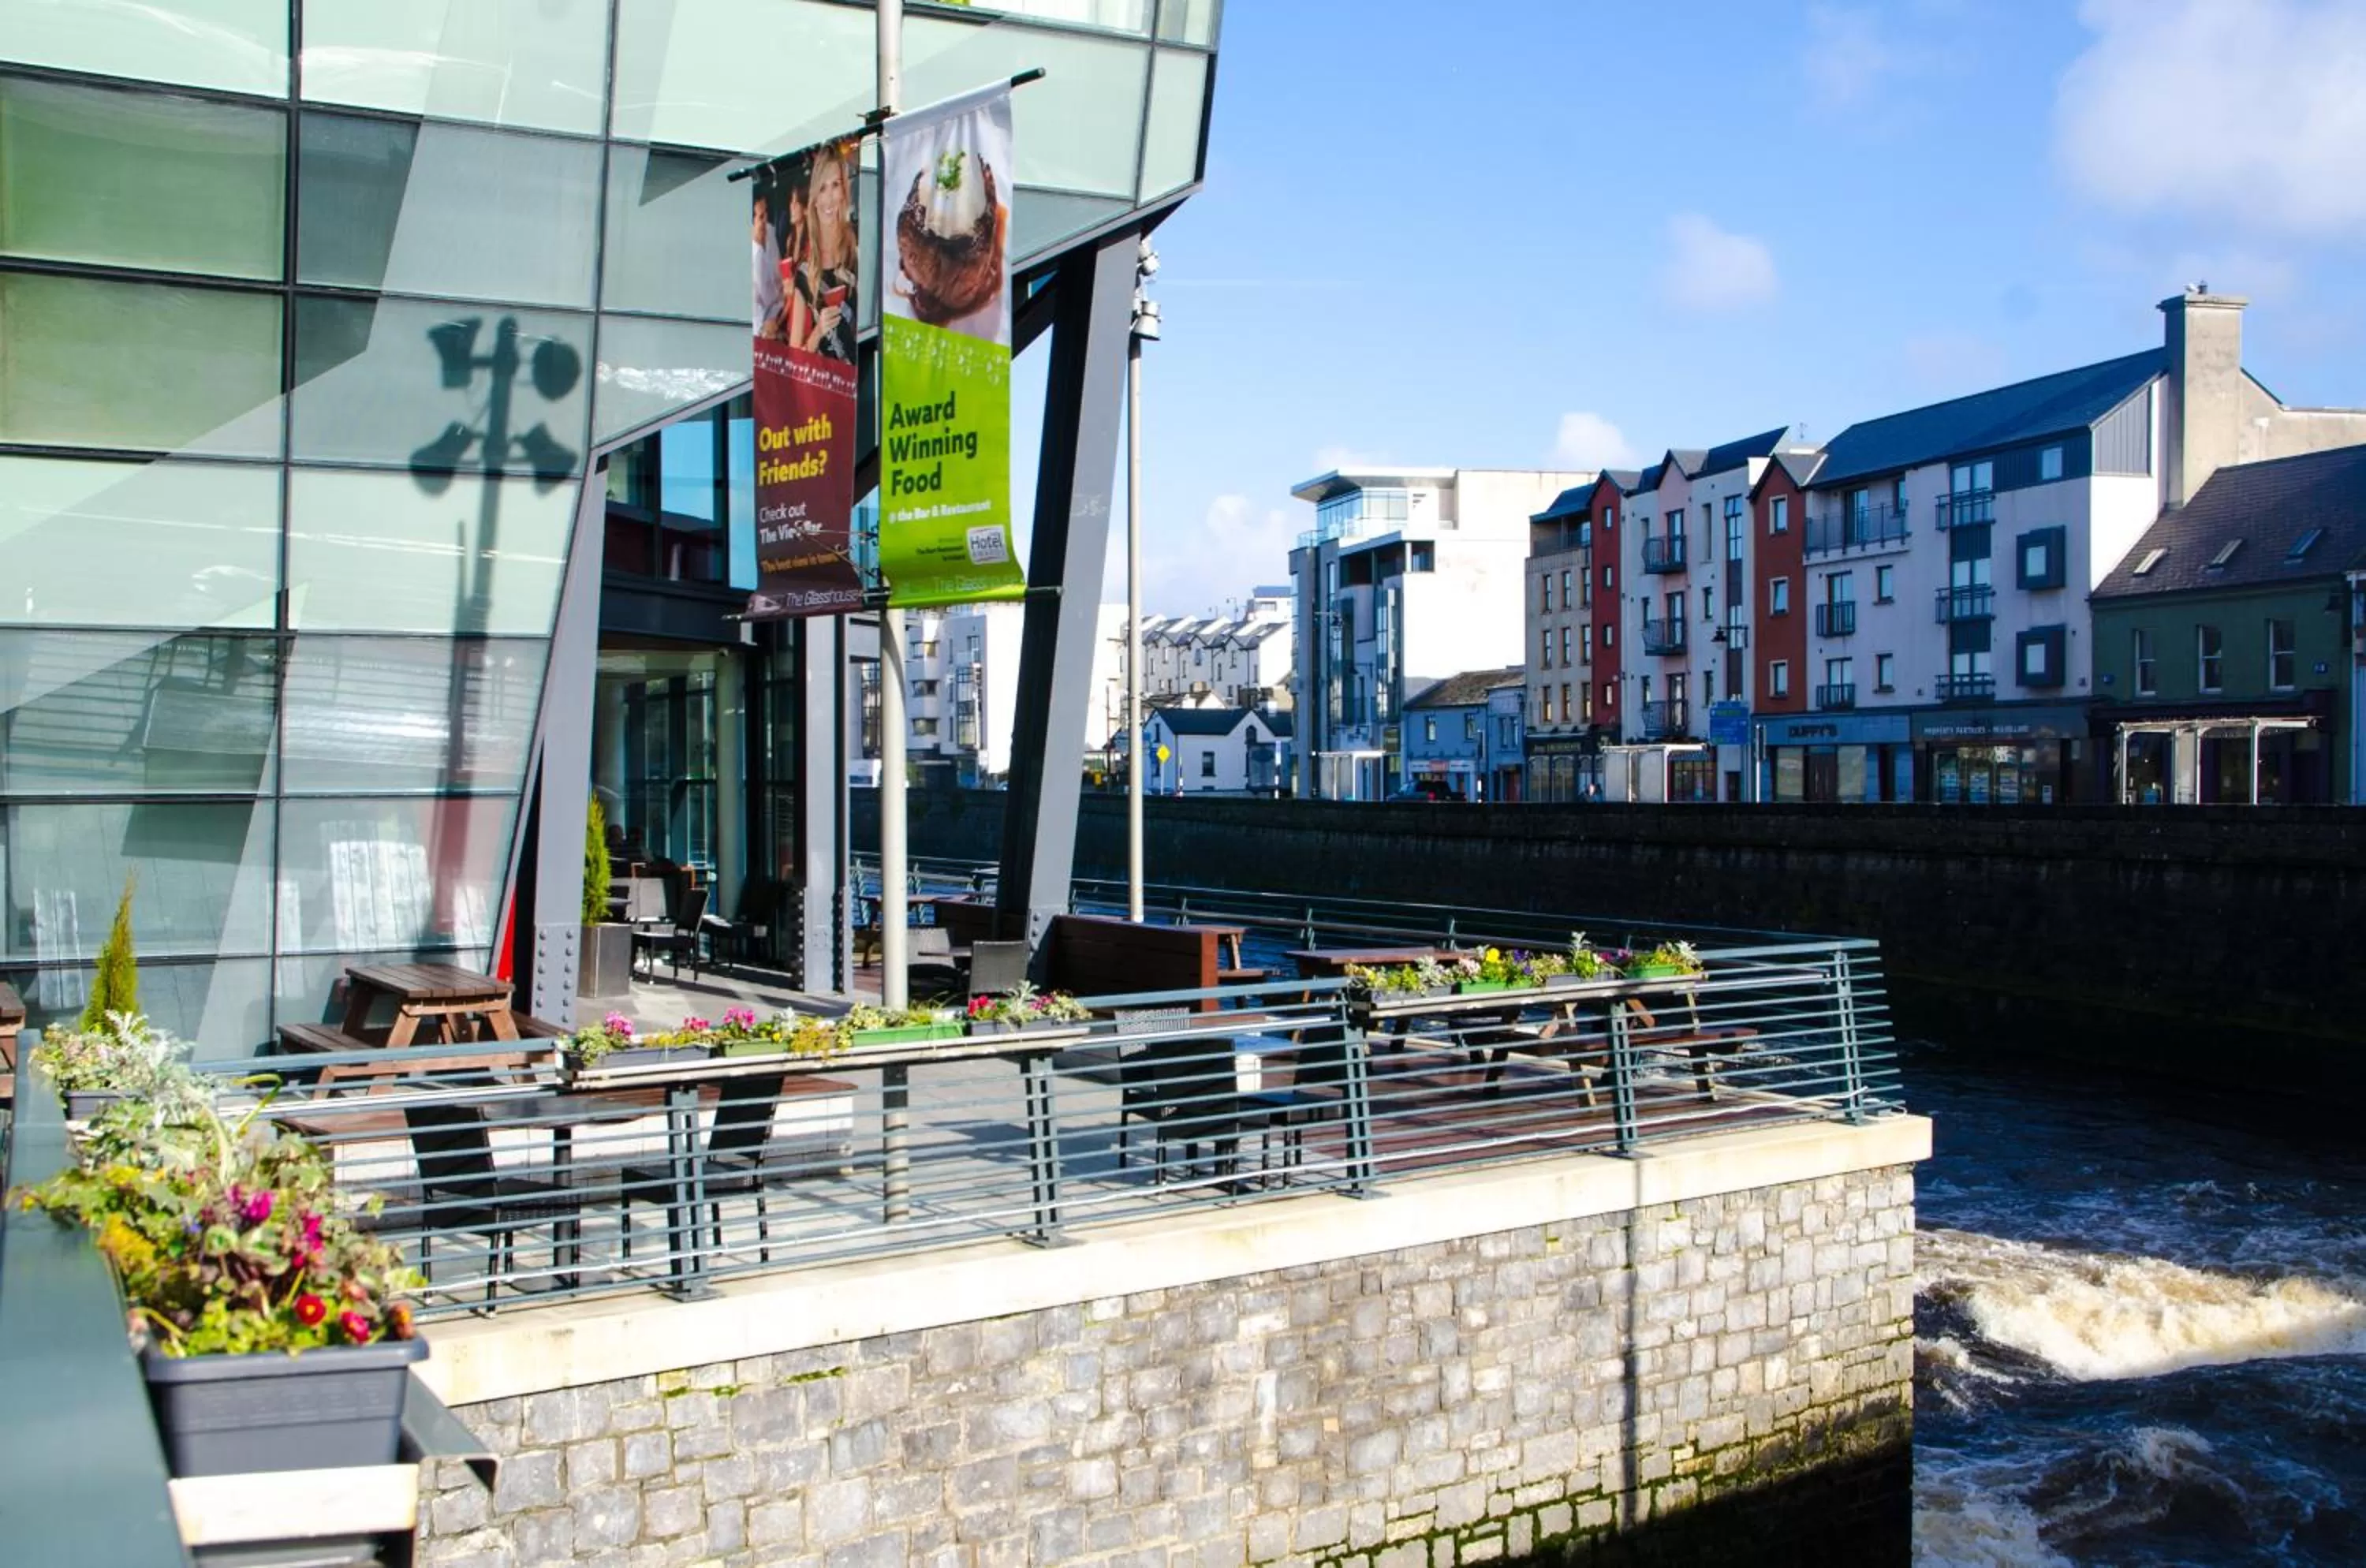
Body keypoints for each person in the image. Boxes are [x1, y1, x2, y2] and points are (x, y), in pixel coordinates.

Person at [788, 143, 857, 363]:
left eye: (835, 185)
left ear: (844, 190)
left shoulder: (858, 248)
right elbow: (794, 355)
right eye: (822, 188)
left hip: (869, 375)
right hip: (831, 385)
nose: (829, 198)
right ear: (814, 199)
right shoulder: (805, 270)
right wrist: (818, 332)